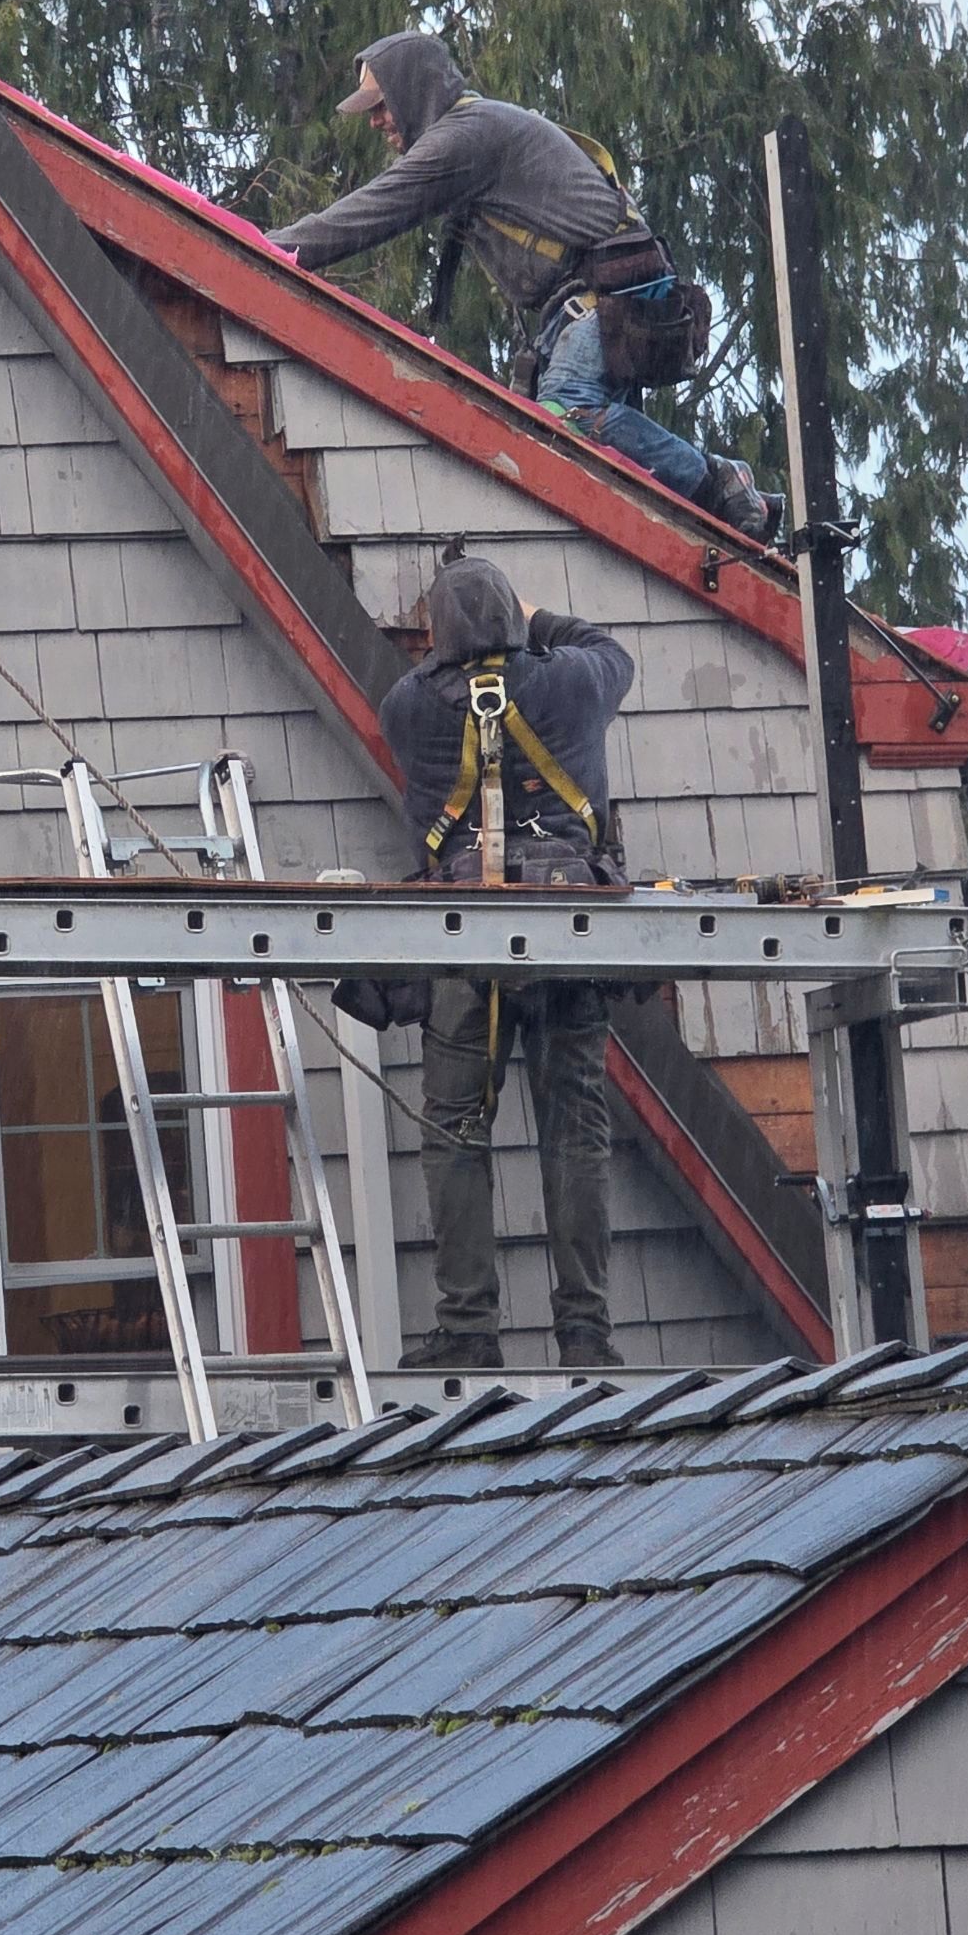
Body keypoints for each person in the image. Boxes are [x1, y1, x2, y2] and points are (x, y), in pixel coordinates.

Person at [264, 32, 771, 541]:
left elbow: (370, 213)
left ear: (413, 92)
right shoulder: (476, 129)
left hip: (602, 302)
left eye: (381, 105)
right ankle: (716, 509)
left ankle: (721, 481)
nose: (375, 120)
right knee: (581, 458)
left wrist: (263, 247)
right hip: (595, 306)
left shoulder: (466, 136)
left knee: (568, 414)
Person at [378, 552, 635, 1373]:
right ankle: (587, 1334)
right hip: (569, 939)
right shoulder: (574, 684)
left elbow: (430, 670)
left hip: (466, 944)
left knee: (455, 1133)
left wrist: (468, 634)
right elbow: (612, 650)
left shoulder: (408, 710)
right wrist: (536, 621)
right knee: (576, 1133)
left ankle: (467, 1332)